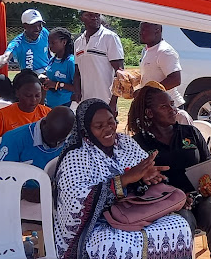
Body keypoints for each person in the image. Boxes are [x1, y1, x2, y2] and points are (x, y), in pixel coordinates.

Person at [53, 99, 192, 259]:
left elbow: (142, 170)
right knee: (112, 243)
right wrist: (123, 180)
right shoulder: (76, 156)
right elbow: (76, 203)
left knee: (178, 226)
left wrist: (146, 178)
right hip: (95, 226)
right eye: (99, 126)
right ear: (86, 130)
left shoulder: (124, 142)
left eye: (111, 122)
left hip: (134, 212)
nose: (108, 129)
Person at [129, 85, 211, 259]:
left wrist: (209, 185)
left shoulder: (189, 133)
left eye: (172, 104)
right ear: (149, 113)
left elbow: (208, 164)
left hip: (199, 198)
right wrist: (175, 199)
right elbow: (136, 187)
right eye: (164, 107)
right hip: (164, 205)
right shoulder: (138, 144)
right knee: (183, 221)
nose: (172, 110)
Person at [0, 106, 75, 202]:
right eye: (51, 138)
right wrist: (24, 193)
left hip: (54, 196)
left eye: (60, 140)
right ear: (44, 123)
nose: (54, 144)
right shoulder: (14, 139)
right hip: (19, 199)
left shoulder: (71, 138)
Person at [0, 70, 51, 148]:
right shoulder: (4, 115)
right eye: (28, 96)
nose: (33, 100)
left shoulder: (47, 113)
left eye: (37, 96)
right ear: (17, 93)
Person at [137, 22, 192, 124]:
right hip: (157, 108)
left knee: (175, 139)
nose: (140, 33)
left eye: (144, 30)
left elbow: (175, 79)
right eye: (140, 30)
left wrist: (145, 92)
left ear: (157, 30)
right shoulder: (148, 50)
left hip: (171, 109)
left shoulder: (165, 51)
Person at [73, 11, 124, 113]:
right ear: (81, 18)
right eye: (89, 15)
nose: (94, 18)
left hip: (105, 100)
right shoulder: (78, 42)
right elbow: (77, 72)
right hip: (85, 101)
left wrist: (113, 102)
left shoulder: (110, 37)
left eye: (97, 15)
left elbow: (120, 73)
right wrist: (77, 92)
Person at [0, 9, 51, 74]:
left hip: (47, 72)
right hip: (30, 77)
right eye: (33, 25)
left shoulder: (44, 32)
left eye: (39, 25)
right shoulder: (17, 43)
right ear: (24, 26)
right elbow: (5, 57)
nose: (37, 29)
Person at [43, 27, 77, 108]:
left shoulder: (71, 62)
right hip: (49, 103)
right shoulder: (52, 60)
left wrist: (57, 85)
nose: (50, 46)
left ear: (64, 42)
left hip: (65, 105)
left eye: (53, 43)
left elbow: (76, 88)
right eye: (49, 43)